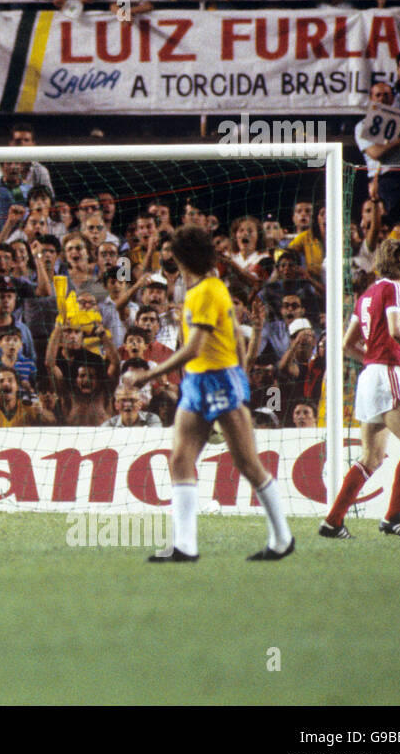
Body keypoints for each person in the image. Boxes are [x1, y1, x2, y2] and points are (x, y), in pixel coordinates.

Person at [126, 225, 295, 562]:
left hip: (216, 380)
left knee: (247, 463)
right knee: (180, 458)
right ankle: (185, 546)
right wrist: (241, 371)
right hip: (199, 382)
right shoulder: (206, 288)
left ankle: (282, 538)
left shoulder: (205, 292)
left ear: (181, 256)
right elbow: (236, 334)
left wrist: (150, 374)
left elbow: (194, 347)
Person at [321, 240, 400, 541]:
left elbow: (347, 344)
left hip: (368, 377)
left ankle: (333, 522)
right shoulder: (394, 288)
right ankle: (393, 517)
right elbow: (397, 330)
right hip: (386, 372)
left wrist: (372, 359)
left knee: (371, 458)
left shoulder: (366, 295)